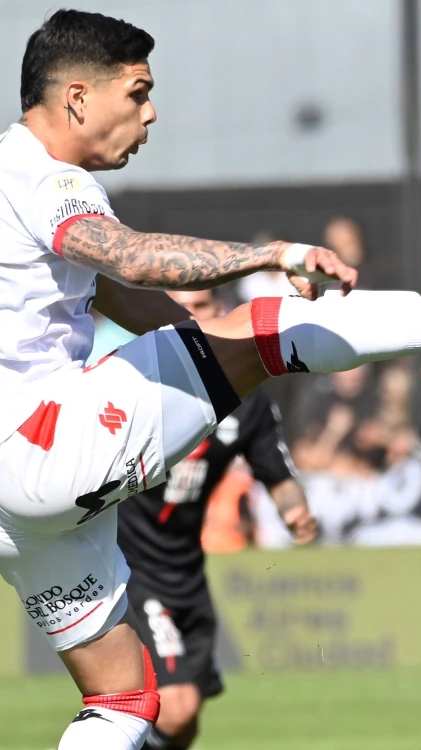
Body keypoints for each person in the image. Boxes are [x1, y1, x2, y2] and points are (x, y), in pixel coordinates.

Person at [0, 10, 421, 749]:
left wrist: (207, 354)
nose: (150, 112)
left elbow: (112, 291)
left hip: (17, 514)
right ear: (76, 98)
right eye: (137, 93)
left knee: (124, 697)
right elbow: (126, 258)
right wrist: (270, 255)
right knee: (273, 324)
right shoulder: (43, 177)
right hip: (41, 446)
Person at [116, 289, 315, 750]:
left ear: (223, 313)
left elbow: (279, 475)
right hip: (128, 568)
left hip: (186, 571)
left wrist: (295, 511)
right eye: (180, 306)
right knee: (177, 703)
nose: (189, 317)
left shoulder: (248, 399)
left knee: (184, 726)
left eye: (202, 307)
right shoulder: (132, 379)